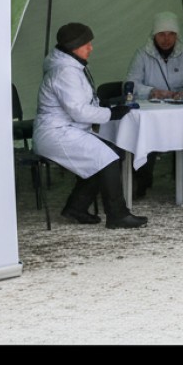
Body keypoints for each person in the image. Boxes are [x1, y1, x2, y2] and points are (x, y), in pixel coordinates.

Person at [33, 22, 147, 229]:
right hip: (56, 133)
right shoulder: (65, 72)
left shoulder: (71, 67)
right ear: (74, 46)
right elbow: (78, 111)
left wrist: (105, 105)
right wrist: (111, 113)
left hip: (67, 130)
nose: (91, 47)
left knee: (112, 153)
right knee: (107, 158)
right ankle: (117, 215)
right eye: (87, 44)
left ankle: (76, 207)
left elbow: (81, 103)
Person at [125, 11, 183, 199]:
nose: (166, 39)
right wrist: (153, 91)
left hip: (179, 110)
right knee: (146, 138)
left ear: (177, 35)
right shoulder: (142, 54)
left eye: (171, 34)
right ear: (154, 35)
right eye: (161, 34)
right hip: (150, 110)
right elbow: (130, 84)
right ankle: (142, 180)